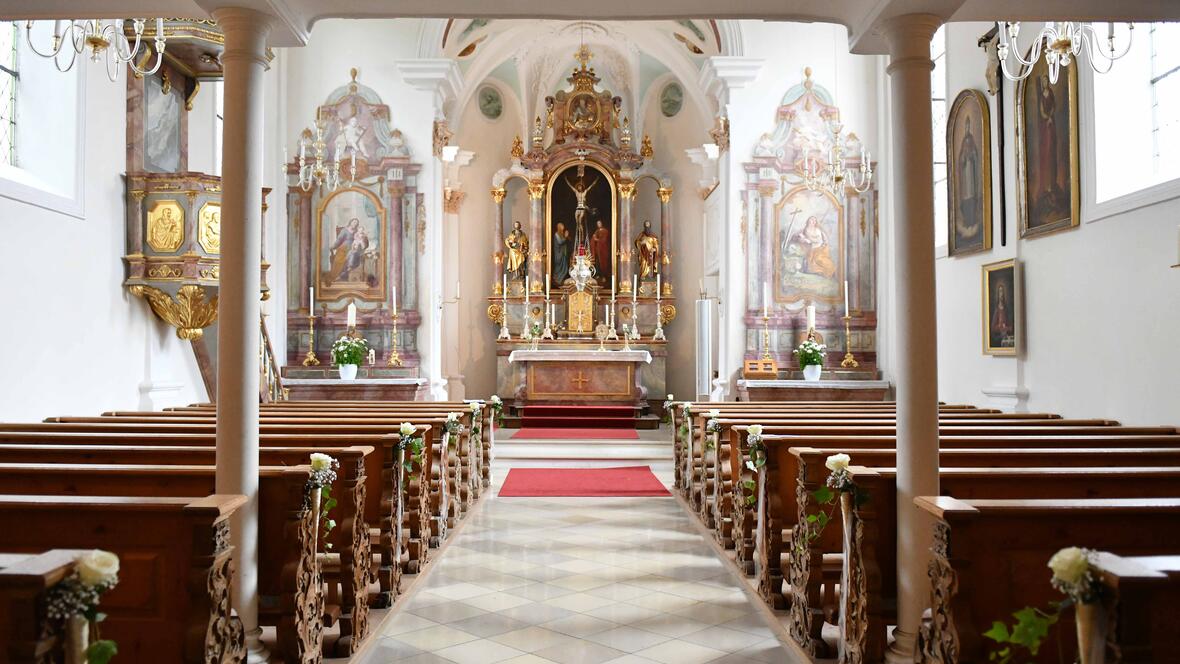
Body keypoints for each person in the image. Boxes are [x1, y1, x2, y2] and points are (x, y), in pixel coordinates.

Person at [956, 121, 981, 240]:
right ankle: (967, 222)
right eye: (965, 126)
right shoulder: (964, 142)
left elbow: (976, 156)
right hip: (965, 181)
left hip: (971, 177)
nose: (967, 127)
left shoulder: (971, 139)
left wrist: (972, 157)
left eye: (968, 125)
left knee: (971, 199)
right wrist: (964, 159)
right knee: (966, 200)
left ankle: (972, 222)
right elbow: (960, 160)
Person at [330, 218, 370, 282]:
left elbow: (364, 240)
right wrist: (333, 246)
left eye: (356, 223)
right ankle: (335, 276)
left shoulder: (358, 231)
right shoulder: (344, 230)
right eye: (354, 222)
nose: (355, 224)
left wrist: (363, 241)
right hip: (344, 247)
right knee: (340, 258)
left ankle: (343, 275)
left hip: (354, 248)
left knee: (353, 256)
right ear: (350, 222)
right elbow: (339, 240)